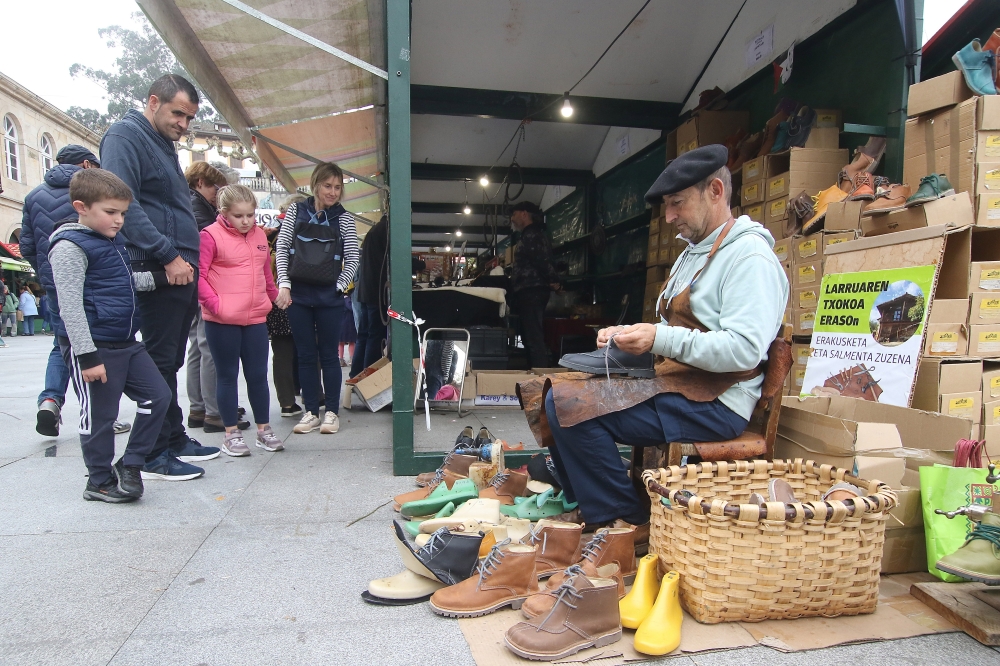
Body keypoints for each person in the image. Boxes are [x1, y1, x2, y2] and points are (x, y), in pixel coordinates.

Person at [519, 146, 788, 541]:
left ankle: (625, 521)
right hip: (680, 383)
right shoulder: (693, 252)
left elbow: (743, 350)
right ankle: (591, 505)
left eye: (677, 203)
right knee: (550, 392)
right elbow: (670, 326)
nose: (669, 217)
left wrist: (658, 336)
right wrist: (631, 333)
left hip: (718, 403)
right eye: (667, 206)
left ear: (715, 191)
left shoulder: (750, 258)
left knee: (570, 408)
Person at [101, 73, 220, 480]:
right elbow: (123, 204)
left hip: (178, 264)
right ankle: (151, 453)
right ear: (153, 101)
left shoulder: (162, 142)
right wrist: (167, 255)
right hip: (159, 265)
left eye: (189, 117)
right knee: (159, 359)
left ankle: (172, 438)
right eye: (178, 114)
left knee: (167, 358)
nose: (184, 125)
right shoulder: (124, 137)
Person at [48, 168, 173, 501]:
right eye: (110, 212)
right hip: (96, 348)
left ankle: (131, 463)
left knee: (157, 396)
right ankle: (99, 481)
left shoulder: (112, 242)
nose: (119, 220)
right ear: (81, 207)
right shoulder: (69, 247)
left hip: (127, 342)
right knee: (101, 416)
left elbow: (124, 284)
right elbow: (69, 306)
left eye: (123, 213)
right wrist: (87, 356)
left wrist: (162, 278)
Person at [20, 145, 103, 434]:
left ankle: (51, 399)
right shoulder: (91, 192)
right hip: (92, 279)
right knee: (94, 341)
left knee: (62, 342)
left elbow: (28, 246)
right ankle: (96, 412)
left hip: (53, 281)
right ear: (86, 164)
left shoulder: (33, 196)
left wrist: (46, 269)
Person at [198, 184, 284, 456]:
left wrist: (273, 296)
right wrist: (216, 305)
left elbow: (264, 272)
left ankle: (263, 430)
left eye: (250, 215)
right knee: (227, 377)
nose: (246, 221)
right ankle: (231, 434)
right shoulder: (209, 236)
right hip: (222, 320)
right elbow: (198, 277)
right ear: (224, 213)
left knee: (258, 376)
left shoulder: (259, 235)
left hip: (255, 317)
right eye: (239, 216)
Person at [275, 162, 360, 434]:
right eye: (327, 186)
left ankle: (331, 412)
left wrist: (339, 286)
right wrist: (284, 284)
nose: (332, 192)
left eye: (337, 187)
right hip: (298, 295)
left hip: (329, 297)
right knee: (305, 355)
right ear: (315, 185)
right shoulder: (297, 211)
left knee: (329, 356)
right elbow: (282, 246)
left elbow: (352, 257)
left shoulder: (344, 218)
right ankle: (311, 411)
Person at [183, 162, 250, 433]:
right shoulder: (200, 211)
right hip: (206, 286)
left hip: (192, 284)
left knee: (197, 348)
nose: (217, 193)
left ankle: (199, 407)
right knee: (208, 346)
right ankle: (215, 411)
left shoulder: (190, 205)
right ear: (200, 182)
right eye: (215, 187)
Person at [508, 201, 560, 368]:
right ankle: (535, 373)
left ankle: (540, 376)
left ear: (524, 214)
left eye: (514, 214)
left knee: (533, 338)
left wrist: (554, 281)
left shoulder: (532, 235)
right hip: (528, 292)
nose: (512, 219)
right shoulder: (529, 235)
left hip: (532, 291)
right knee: (530, 337)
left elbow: (542, 261)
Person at [266, 196, 304, 417]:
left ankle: (287, 401)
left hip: (275, 298)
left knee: (281, 351)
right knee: (308, 348)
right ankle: (313, 395)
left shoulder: (269, 236)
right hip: (298, 295)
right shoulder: (298, 236)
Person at [350, 214, 388, 378]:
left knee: (364, 334)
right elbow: (394, 259)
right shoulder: (386, 230)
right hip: (376, 292)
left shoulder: (374, 230)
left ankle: (356, 374)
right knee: (374, 335)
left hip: (366, 291)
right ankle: (368, 376)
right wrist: (421, 264)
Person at [340, 292, 357, 366]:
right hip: (349, 324)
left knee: (341, 342)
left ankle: (340, 359)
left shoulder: (338, 300)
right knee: (352, 342)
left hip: (340, 324)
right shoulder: (347, 300)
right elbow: (351, 308)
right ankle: (352, 359)